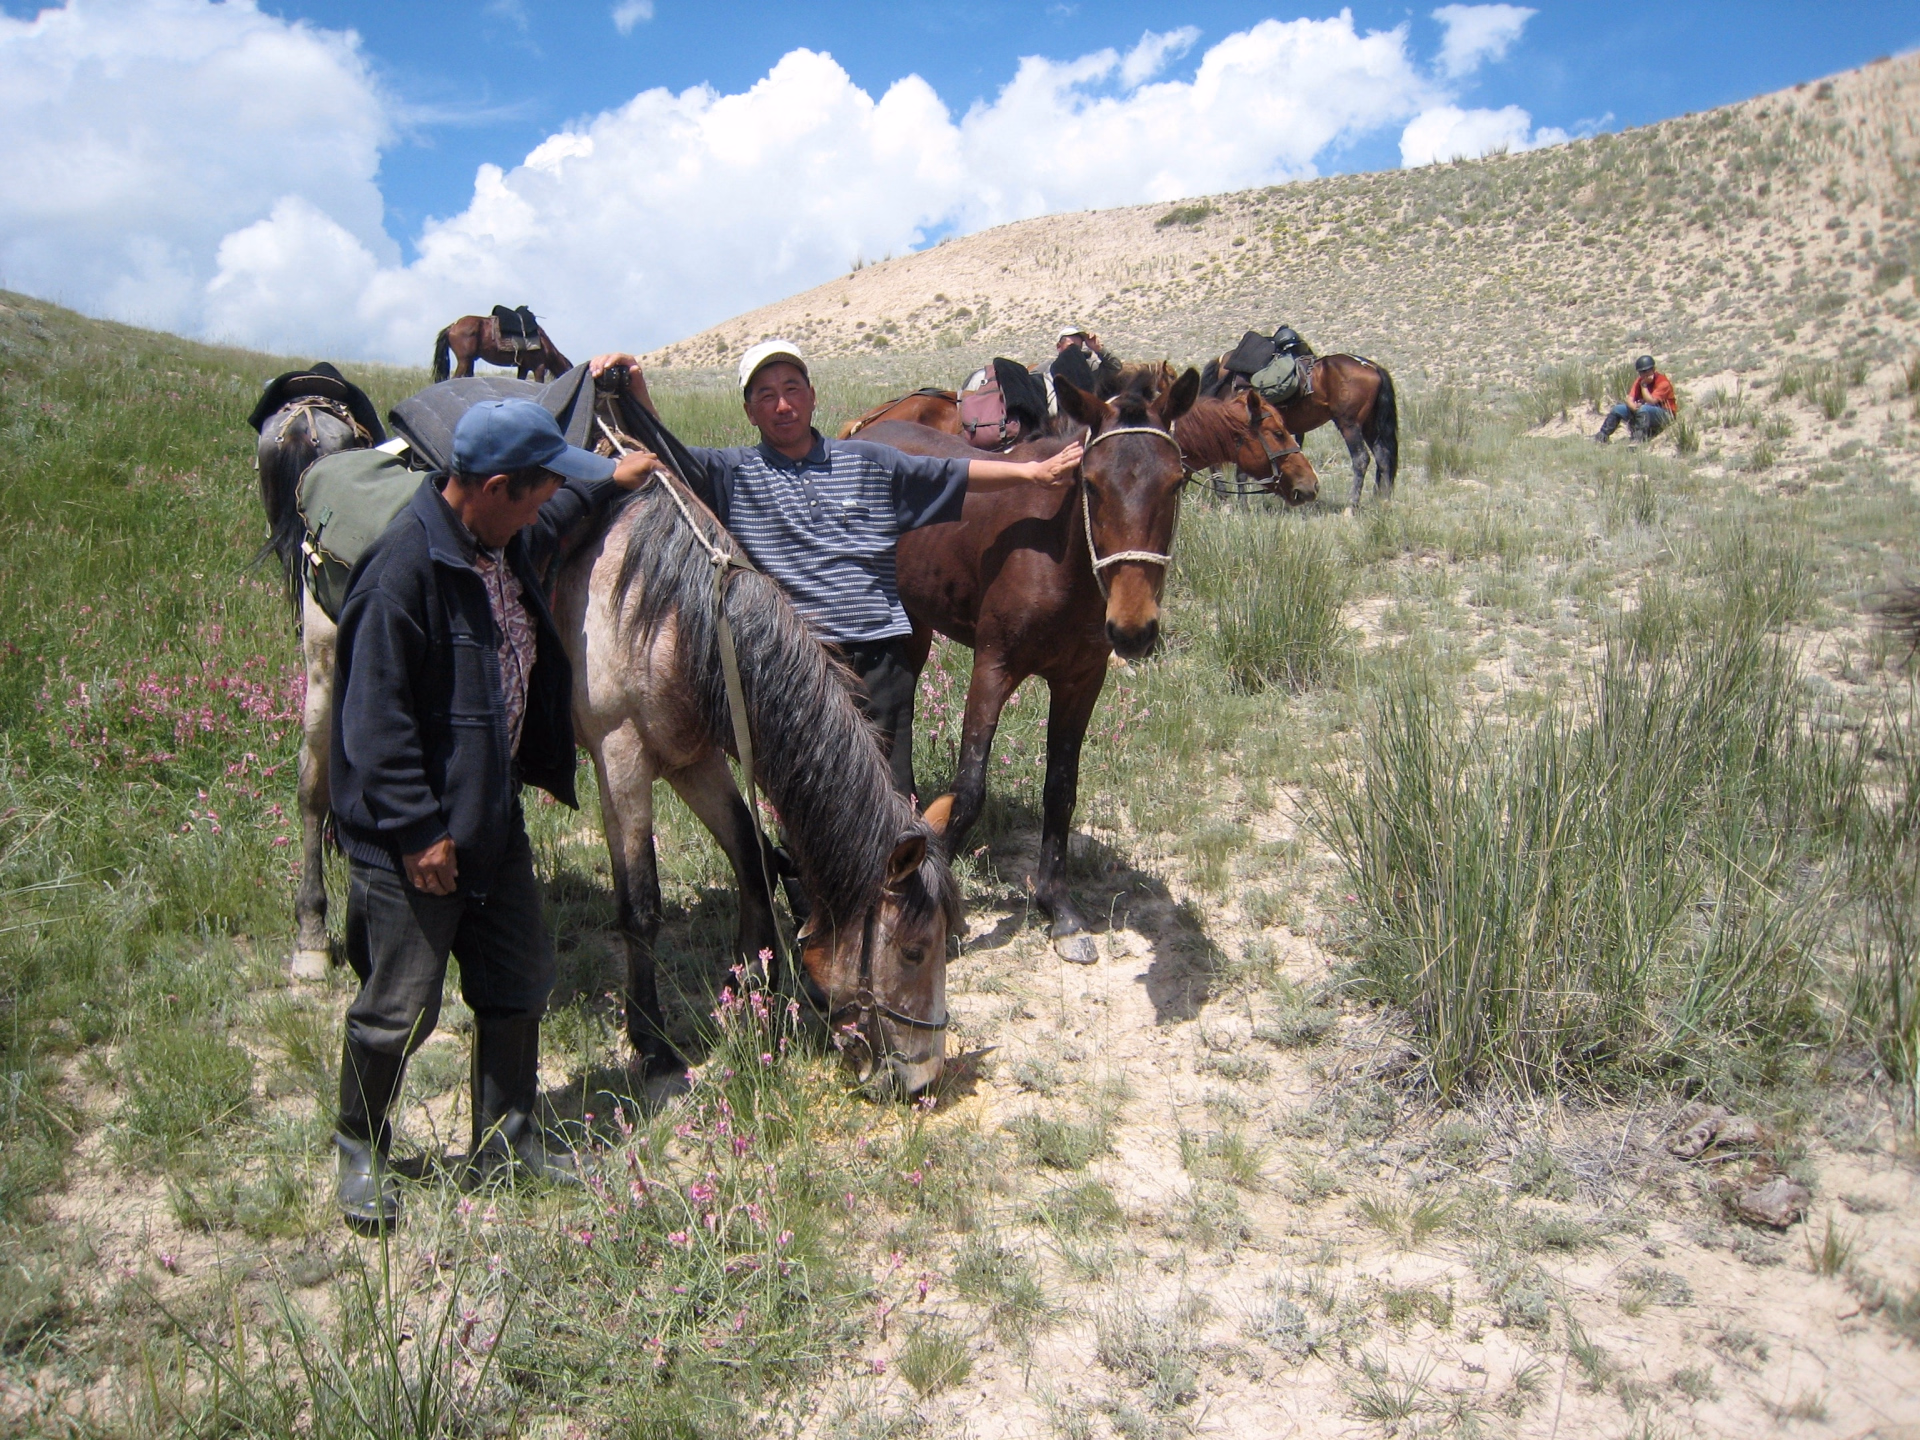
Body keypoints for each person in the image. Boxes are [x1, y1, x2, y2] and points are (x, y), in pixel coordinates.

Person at [329, 399, 655, 1230]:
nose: (546, 507)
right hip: (414, 837)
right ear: (497, 485)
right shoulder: (401, 574)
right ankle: (360, 1146)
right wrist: (417, 833)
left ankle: (508, 1140)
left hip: (489, 814)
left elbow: (562, 508)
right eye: (538, 491)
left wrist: (610, 480)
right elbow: (373, 723)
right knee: (399, 1006)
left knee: (518, 978)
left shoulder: (502, 538)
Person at [588, 340, 1083, 797]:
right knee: (812, 801)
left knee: (891, 799)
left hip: (879, 657)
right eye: (766, 396)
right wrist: (637, 389)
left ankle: (898, 867)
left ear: (812, 397)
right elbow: (668, 458)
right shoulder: (733, 473)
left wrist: (1030, 472)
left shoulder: (869, 461)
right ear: (749, 411)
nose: (782, 405)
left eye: (792, 390)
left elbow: (955, 472)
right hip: (796, 662)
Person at [1596, 355, 1677, 443]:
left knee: (1643, 409)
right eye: (1641, 372)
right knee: (1617, 409)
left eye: (1647, 371)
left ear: (1653, 369)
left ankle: (1637, 439)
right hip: (1644, 411)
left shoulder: (1663, 382)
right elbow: (1630, 398)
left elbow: (1651, 401)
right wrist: (1633, 406)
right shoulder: (1639, 380)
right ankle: (1602, 436)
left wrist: (1644, 385)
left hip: (1665, 414)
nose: (1644, 374)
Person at [1043, 326, 1122, 411]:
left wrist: (1098, 348)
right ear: (1059, 346)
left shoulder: (1090, 367)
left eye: (1077, 347)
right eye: (1071, 347)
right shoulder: (1047, 369)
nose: (1074, 351)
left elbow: (1115, 367)